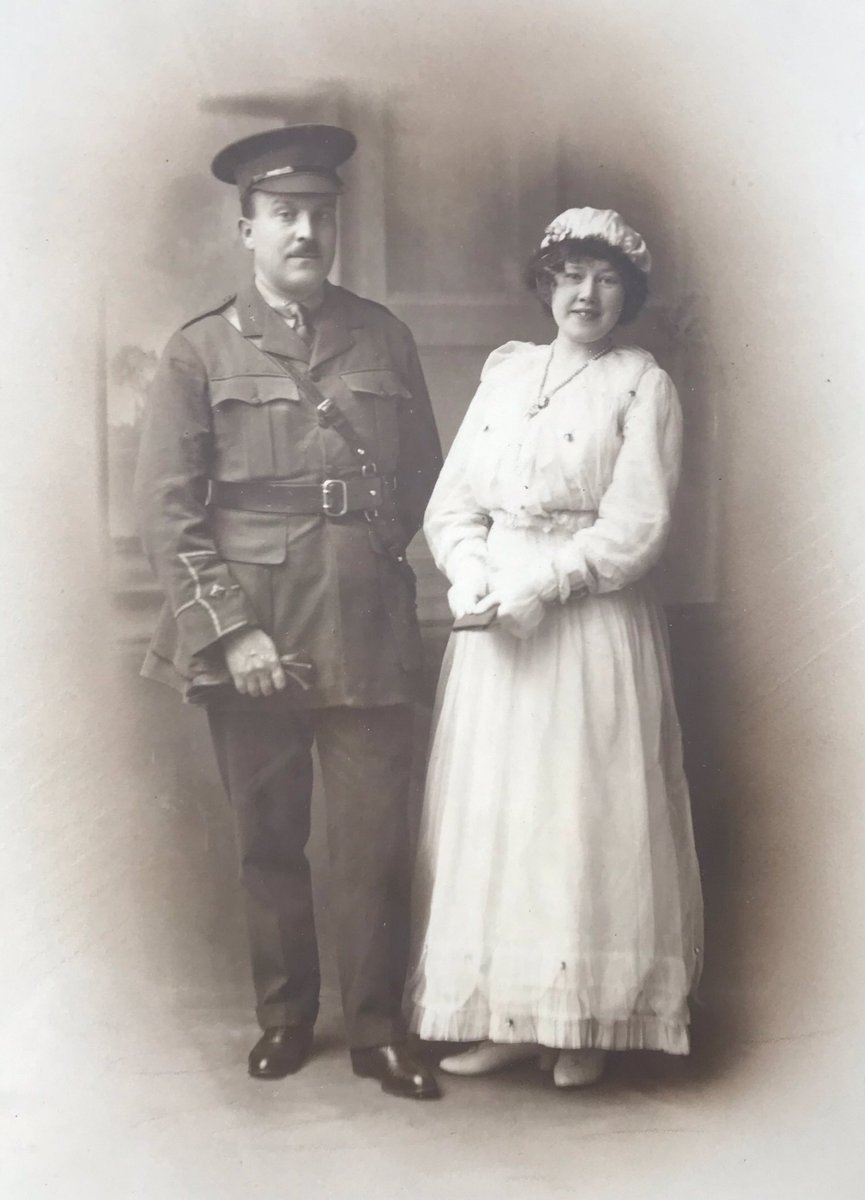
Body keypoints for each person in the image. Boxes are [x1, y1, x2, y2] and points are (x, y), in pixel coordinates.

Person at [135, 125, 443, 1100]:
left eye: (318, 215)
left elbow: (430, 482)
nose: (304, 231)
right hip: (254, 627)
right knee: (270, 840)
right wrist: (233, 631)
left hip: (365, 621)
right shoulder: (197, 353)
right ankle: (283, 1017)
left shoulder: (382, 336)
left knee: (374, 842)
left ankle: (377, 1028)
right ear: (247, 230)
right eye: (284, 216)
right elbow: (169, 510)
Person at [406, 207, 703, 1088]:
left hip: (585, 620)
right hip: (494, 624)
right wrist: (467, 572)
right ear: (545, 283)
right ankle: (509, 1012)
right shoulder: (505, 373)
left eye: (607, 279)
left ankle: (583, 1027)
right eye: (571, 273)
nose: (586, 293)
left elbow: (636, 527)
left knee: (577, 815)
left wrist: (545, 585)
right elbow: (452, 502)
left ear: (628, 296)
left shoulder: (640, 385)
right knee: (502, 817)